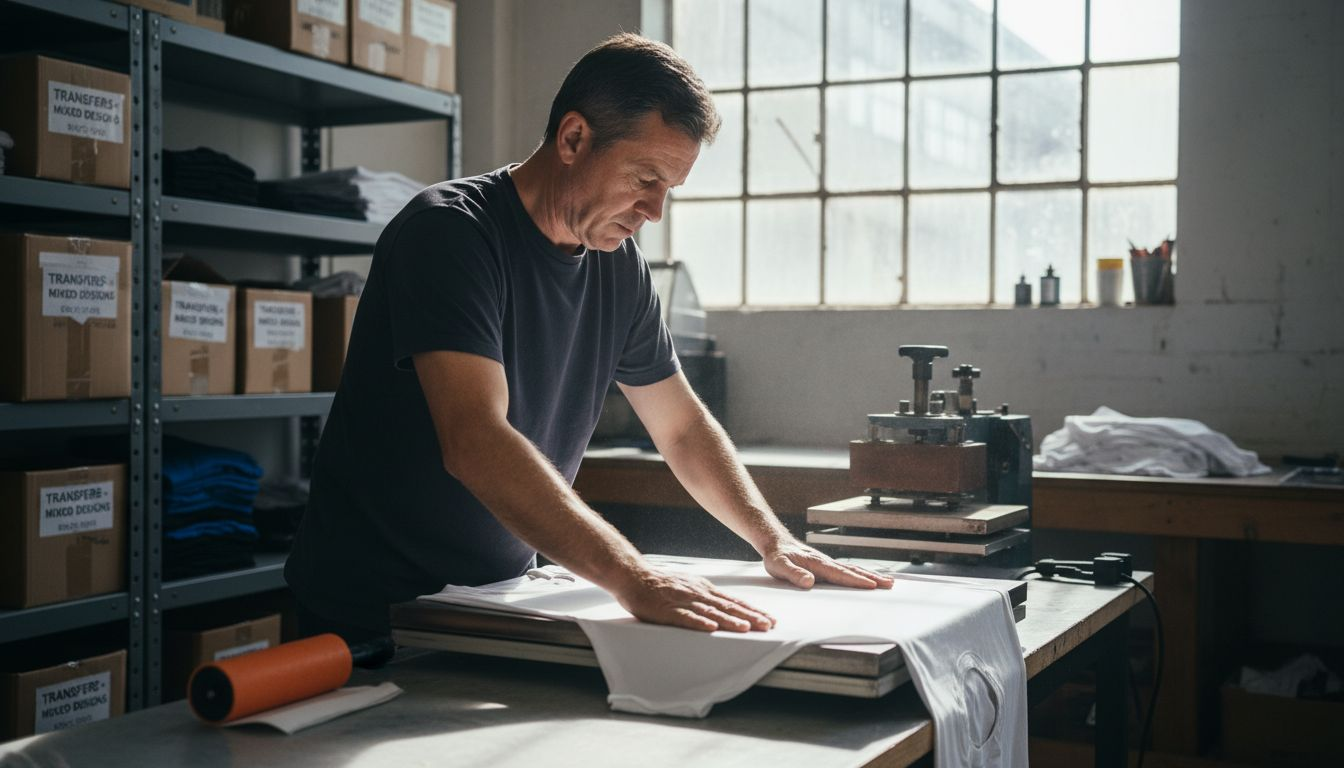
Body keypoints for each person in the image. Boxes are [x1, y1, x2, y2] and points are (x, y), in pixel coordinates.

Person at [284, 32, 893, 647]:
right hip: (367, 616)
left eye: (668, 189)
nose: (654, 212)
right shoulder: (450, 234)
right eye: (644, 178)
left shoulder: (619, 265)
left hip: (492, 603)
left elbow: (679, 427)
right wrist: (632, 576)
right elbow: (474, 438)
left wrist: (774, 539)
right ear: (573, 139)